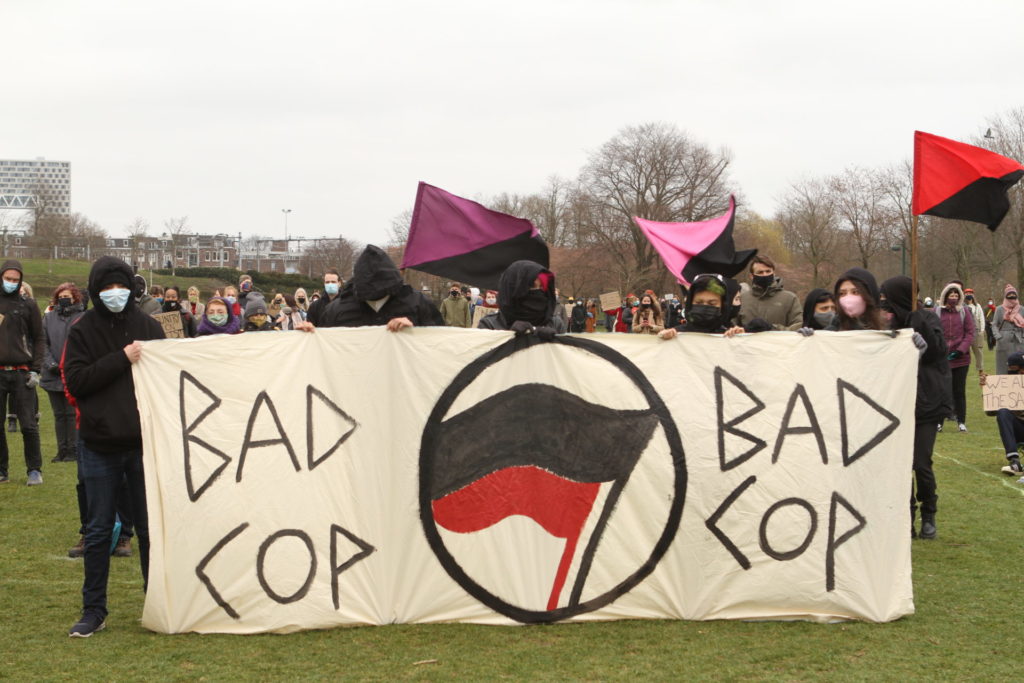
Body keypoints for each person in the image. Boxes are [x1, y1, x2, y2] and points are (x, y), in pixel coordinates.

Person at [63, 255, 165, 637]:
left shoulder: (150, 327)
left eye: (119, 286)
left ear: (131, 287)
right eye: (106, 288)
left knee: (150, 529)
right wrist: (121, 359)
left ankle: (156, 599)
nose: (114, 293)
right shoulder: (82, 329)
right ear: (95, 290)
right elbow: (76, 381)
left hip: (144, 446)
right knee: (99, 530)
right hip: (99, 446)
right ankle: (94, 609)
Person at [879, 276, 950, 539]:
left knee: (921, 462)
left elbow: (937, 351)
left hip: (926, 404)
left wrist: (918, 325)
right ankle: (905, 514)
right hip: (897, 403)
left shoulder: (928, 319)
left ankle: (928, 513)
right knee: (901, 463)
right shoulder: (888, 322)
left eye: (887, 296)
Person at [319, 245, 443, 330]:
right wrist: (307, 336)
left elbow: (439, 341)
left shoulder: (418, 304)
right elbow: (322, 350)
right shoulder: (335, 310)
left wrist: (416, 331)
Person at [0, 259, 44, 485]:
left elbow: (39, 337)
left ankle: (34, 470)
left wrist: (36, 369)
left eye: (15, 280)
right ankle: (2, 471)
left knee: (28, 424)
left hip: (22, 372)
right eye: (8, 279)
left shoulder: (28, 305)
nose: (11, 283)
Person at [42, 283, 86, 463]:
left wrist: (69, 364)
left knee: (71, 413)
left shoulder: (82, 318)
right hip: (52, 373)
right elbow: (42, 343)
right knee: (59, 414)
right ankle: (62, 450)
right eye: (60, 296)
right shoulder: (48, 318)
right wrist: (51, 363)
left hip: (71, 373)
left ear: (75, 297)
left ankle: (74, 449)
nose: (64, 299)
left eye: (67, 296)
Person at [478, 260, 559, 336]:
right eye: (532, 286)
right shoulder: (489, 324)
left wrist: (555, 343)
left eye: (542, 287)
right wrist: (509, 337)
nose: (538, 292)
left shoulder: (555, 323)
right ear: (513, 288)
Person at [658, 274, 745, 339]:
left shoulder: (729, 335)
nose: (705, 306)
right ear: (690, 303)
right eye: (699, 302)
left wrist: (742, 339)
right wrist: (663, 340)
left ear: (723, 305)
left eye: (712, 304)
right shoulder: (676, 334)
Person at [938, 282, 974, 432]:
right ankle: (939, 421)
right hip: (943, 357)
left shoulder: (964, 312)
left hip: (961, 358)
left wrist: (961, 349)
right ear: (945, 296)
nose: (953, 298)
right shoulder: (938, 312)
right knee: (943, 391)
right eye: (951, 295)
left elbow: (970, 332)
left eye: (956, 295)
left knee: (959, 391)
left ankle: (961, 421)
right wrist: (940, 349)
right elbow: (934, 331)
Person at [980, 351, 1024, 477]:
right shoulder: (1009, 384)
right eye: (1012, 371)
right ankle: (1014, 461)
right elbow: (991, 412)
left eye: (1018, 370)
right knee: (1003, 412)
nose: (1017, 374)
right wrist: (987, 389)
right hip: (1020, 429)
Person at [739, 256, 802, 330]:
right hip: (747, 341)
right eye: (760, 272)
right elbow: (732, 328)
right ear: (751, 276)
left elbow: (798, 328)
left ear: (774, 273)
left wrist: (772, 328)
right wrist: (747, 330)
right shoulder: (742, 299)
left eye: (768, 271)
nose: (765, 275)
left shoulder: (790, 299)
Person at [992, 284, 1024, 374]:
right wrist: (998, 337)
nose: (1012, 299)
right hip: (1003, 340)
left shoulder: (1022, 309)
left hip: (1019, 340)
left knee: (1020, 364)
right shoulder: (999, 309)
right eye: (1009, 297)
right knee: (1002, 364)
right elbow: (994, 324)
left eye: (1014, 296)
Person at [963, 288, 985, 372]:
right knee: (965, 351)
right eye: (967, 293)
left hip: (977, 330)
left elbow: (981, 318)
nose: (969, 294)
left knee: (978, 351)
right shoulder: (962, 306)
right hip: (965, 331)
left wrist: (982, 330)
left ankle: (980, 368)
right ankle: (964, 368)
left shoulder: (977, 306)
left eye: (970, 293)